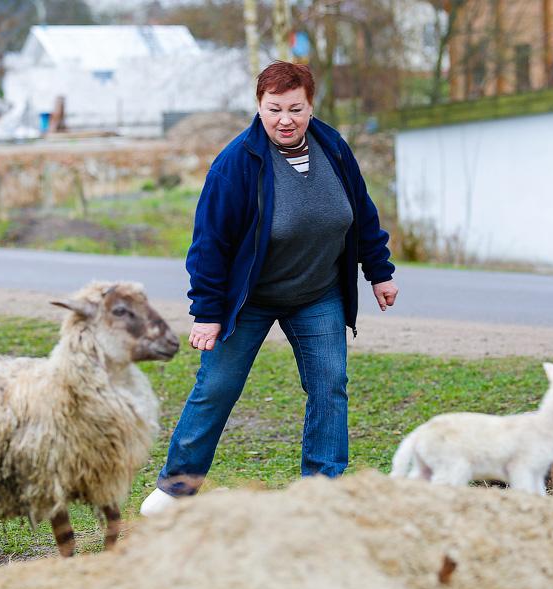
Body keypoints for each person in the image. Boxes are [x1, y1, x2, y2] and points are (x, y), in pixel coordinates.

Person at [141, 61, 398, 515]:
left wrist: (378, 271)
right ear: (259, 106)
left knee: (329, 384)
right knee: (217, 385)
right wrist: (207, 312)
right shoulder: (237, 163)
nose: (285, 119)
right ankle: (176, 490)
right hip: (248, 301)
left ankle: (321, 491)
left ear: (311, 107)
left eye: (295, 109)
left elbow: (361, 211)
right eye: (274, 108)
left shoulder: (332, 146)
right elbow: (210, 245)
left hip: (317, 294)